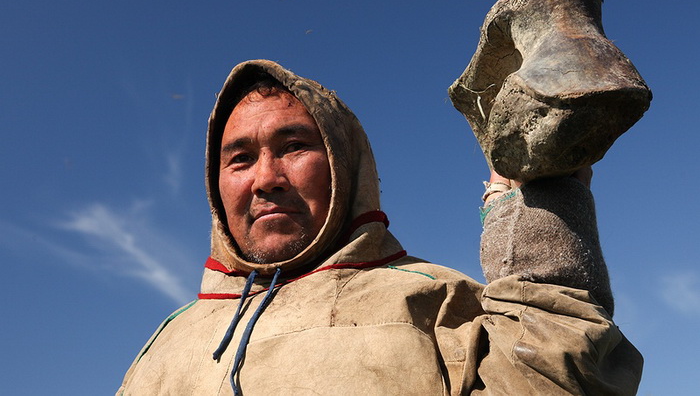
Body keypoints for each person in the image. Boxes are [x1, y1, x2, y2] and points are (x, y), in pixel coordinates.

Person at [117, 59, 642, 395]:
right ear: (215, 186)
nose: (266, 179)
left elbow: (559, 380)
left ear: (346, 166)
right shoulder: (164, 345)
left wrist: (534, 194)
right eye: (240, 158)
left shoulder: (437, 298)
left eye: (295, 146)